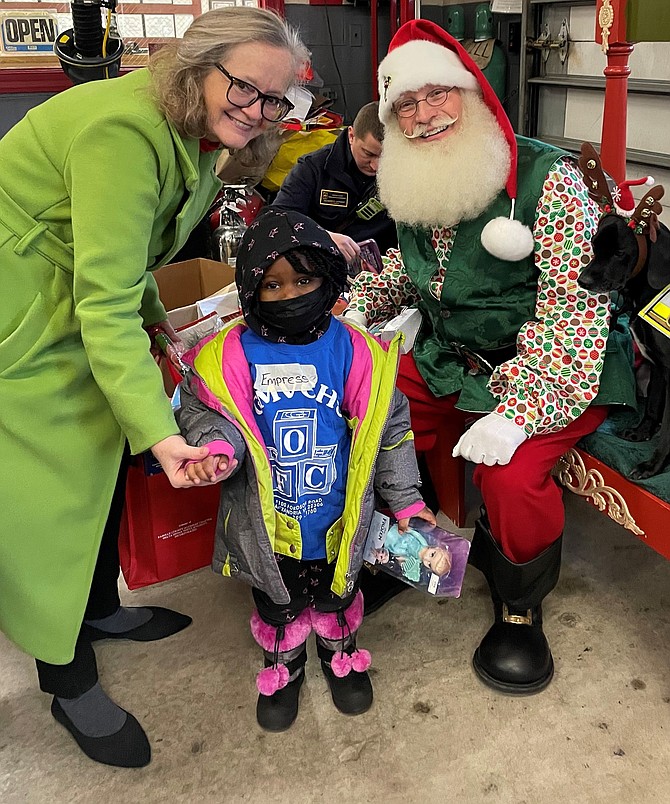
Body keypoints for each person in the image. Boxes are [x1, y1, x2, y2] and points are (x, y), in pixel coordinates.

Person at [0, 7, 309, 767]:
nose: (260, 110)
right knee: (53, 490)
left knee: (104, 460)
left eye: (276, 99)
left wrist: (162, 329)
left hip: (75, 296)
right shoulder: (125, 134)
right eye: (244, 87)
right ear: (196, 67)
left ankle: (99, 606)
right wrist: (165, 435)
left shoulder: (201, 136)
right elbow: (101, 297)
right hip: (24, 311)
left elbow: (131, 257)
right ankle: (64, 674)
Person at [346, 20, 636, 695]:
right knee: (359, 405)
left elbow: (576, 312)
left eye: (436, 95)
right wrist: (357, 311)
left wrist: (518, 413)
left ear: (471, 91)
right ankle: (406, 549)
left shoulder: (548, 180)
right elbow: (409, 269)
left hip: (556, 365)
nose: (422, 116)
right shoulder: (415, 176)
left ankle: (520, 602)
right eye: (405, 105)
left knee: (510, 476)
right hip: (452, 355)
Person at [176, 207, 435, 732]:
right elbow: (203, 410)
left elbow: (390, 429)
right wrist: (217, 450)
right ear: (250, 289)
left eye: (303, 279)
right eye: (271, 285)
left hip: (338, 517)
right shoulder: (227, 354)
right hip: (267, 523)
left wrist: (405, 498)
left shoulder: (355, 350)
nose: (289, 294)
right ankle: (283, 664)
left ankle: (340, 653)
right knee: (278, 600)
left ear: (327, 277)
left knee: (339, 594)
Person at [273, 101, 397, 263]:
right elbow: (277, 219)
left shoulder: (405, 171)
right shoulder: (313, 168)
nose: (377, 166)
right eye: (368, 154)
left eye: (385, 156)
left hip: (384, 272)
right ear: (351, 136)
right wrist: (322, 237)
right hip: (324, 265)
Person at [383, 525, 452, 583]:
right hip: (406, 538)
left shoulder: (418, 560)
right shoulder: (424, 545)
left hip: (403, 549)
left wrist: (402, 560)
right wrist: (410, 531)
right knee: (394, 532)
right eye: (432, 555)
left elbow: (409, 559)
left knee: (394, 547)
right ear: (436, 548)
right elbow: (418, 536)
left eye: (429, 564)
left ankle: (384, 542)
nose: (426, 558)